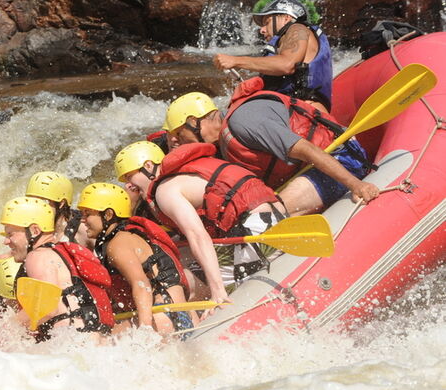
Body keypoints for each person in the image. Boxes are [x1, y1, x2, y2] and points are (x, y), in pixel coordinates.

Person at [117, 140, 288, 305]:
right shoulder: (189, 173)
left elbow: (198, 237)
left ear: (148, 166)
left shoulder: (165, 191)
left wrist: (217, 291)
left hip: (258, 235)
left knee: (185, 286)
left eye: (129, 176)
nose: (128, 186)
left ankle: (211, 304)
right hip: (277, 220)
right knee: (182, 255)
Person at [164, 91, 379, 216]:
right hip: (311, 171)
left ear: (193, 122)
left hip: (342, 159)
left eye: (180, 135)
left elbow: (307, 149)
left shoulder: (243, 122)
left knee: (265, 218)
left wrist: (356, 185)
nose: (180, 143)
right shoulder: (224, 143)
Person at [76, 183, 194, 336]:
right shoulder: (128, 235)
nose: (83, 220)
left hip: (162, 317)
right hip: (181, 314)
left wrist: (145, 330)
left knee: (97, 339)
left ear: (108, 215)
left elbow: (141, 284)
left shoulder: (117, 245)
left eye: (87, 214)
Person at [0, 196, 115, 341]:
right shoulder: (59, 252)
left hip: (72, 343)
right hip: (94, 339)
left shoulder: (38, 256)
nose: (6, 241)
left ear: (34, 230)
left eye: (10, 234)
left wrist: (3, 329)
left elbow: (46, 307)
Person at [214, 0, 332, 112]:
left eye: (267, 23)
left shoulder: (298, 28)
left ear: (286, 18)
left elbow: (287, 64)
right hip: (291, 111)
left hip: (305, 114)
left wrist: (235, 61)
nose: (262, 30)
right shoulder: (282, 45)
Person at [0, 170, 89, 268]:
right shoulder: (37, 224)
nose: (37, 207)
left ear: (61, 203)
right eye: (33, 201)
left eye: (42, 202)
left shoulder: (83, 229)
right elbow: (21, 251)